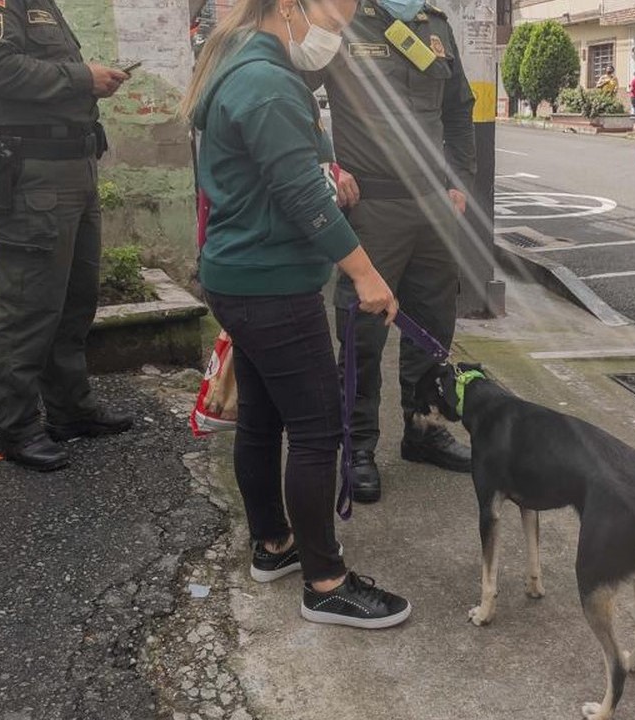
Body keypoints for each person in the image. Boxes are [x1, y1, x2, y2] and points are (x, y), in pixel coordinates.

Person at [180, 0, 413, 628]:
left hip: (239, 273)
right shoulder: (267, 81)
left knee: (262, 417)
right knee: (317, 431)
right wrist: (365, 274)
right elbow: (300, 198)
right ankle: (326, 582)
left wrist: (320, 174)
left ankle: (274, 544)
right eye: (335, 18)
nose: (338, 32)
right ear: (290, 6)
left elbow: (277, 176)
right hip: (270, 283)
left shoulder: (242, 62)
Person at [0, 0, 136, 471]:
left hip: (72, 166)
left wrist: (89, 82)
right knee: (28, 307)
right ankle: (18, 428)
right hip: (31, 173)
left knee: (73, 299)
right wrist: (83, 78)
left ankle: (70, 409)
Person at [310, 0, 477, 504]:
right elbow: (294, 97)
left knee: (432, 325)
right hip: (373, 207)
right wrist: (325, 162)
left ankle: (423, 429)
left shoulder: (435, 25)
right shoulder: (341, 20)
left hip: (433, 206)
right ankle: (357, 447)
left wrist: (460, 178)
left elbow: (459, 105)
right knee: (362, 334)